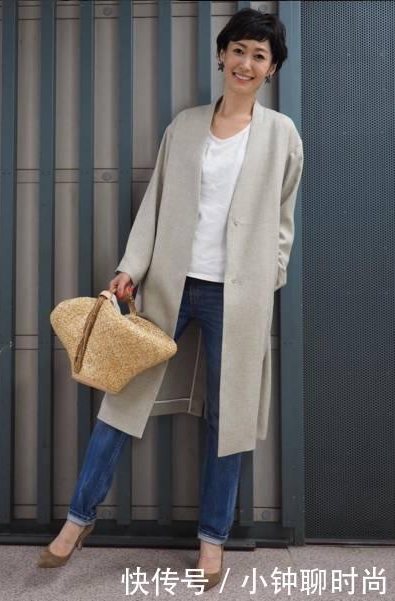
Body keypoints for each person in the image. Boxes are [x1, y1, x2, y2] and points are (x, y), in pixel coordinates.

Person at [38, 7, 296, 593]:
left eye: (259, 55)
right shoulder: (185, 126)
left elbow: (284, 220)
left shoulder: (282, 135)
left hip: (240, 294)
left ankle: (212, 539)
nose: (246, 62)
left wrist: (271, 275)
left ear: (272, 69)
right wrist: (130, 268)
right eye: (238, 50)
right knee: (123, 397)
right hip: (168, 287)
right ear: (222, 55)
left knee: (228, 417)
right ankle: (78, 520)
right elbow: (153, 204)